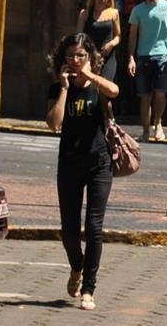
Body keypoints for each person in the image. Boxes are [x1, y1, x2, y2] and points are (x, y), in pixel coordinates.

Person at [45, 33, 119, 312]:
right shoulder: (57, 88)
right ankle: (76, 266)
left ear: (89, 57)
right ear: (62, 61)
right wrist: (64, 88)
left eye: (81, 56)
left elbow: (114, 91)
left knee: (94, 227)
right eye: (70, 57)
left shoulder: (97, 86)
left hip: (100, 162)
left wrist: (91, 75)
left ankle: (89, 288)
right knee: (69, 232)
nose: (75, 61)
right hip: (69, 163)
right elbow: (54, 124)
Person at [125, 0, 167, 143]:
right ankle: (146, 130)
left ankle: (158, 122)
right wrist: (131, 58)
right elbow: (132, 35)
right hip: (143, 55)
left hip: (163, 54)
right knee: (145, 96)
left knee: (160, 93)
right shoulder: (137, 10)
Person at [78, 0, 122, 83]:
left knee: (106, 87)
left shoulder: (114, 13)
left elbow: (118, 36)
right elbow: (79, 36)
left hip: (108, 57)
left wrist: (111, 44)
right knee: (91, 87)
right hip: (90, 56)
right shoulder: (84, 13)